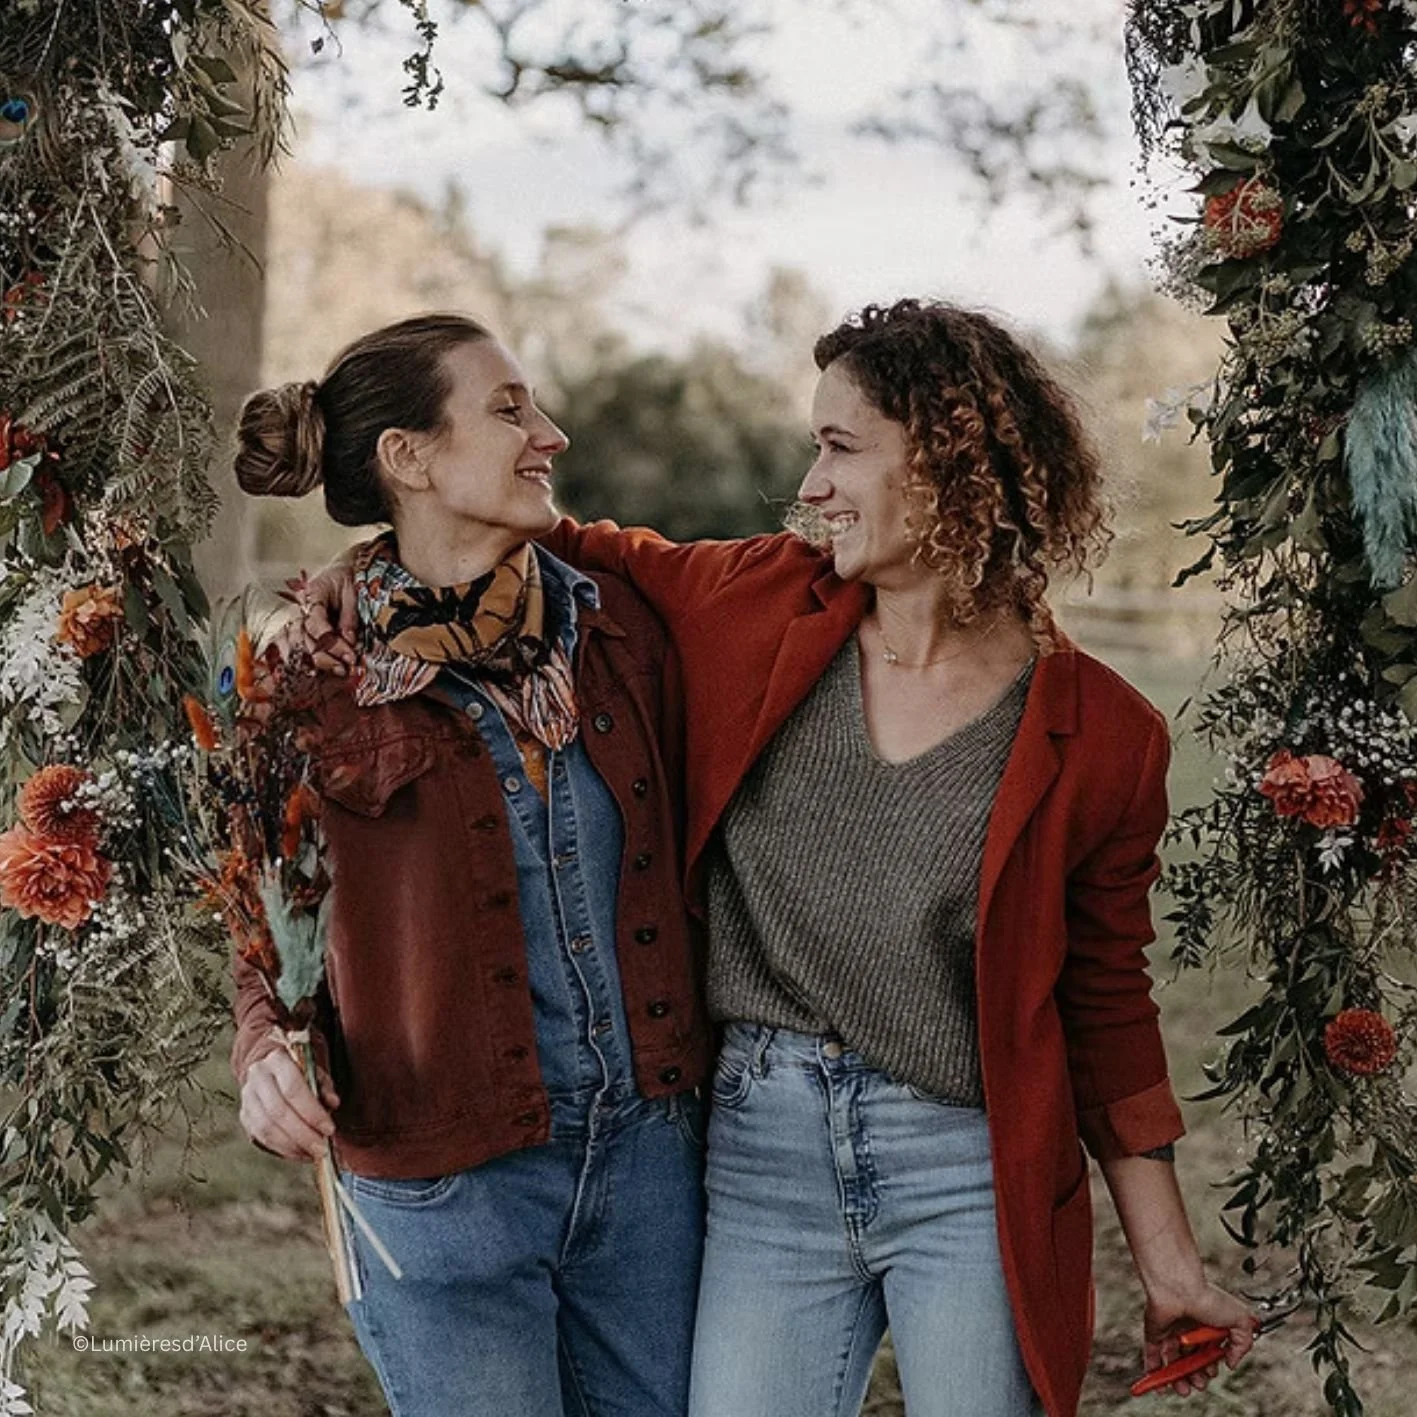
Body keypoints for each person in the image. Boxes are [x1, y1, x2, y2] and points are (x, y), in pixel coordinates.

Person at [301, 299, 1255, 1417]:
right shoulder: (750, 606)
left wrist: (1169, 1262)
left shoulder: (1101, 735)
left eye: (839, 448)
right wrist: (359, 575)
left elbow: (1105, 1004)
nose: (809, 485)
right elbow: (521, 535)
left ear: (951, 460)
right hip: (762, 1152)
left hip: (966, 1164)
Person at [228, 313, 711, 1417]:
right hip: (439, 1175)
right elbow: (262, 913)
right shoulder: (305, 678)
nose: (551, 433)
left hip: (649, 1165)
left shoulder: (621, 626)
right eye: (508, 411)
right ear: (408, 457)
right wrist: (265, 1050)